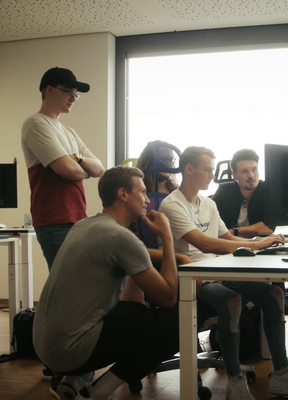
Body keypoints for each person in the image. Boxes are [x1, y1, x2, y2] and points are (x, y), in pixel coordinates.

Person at [158, 146, 288, 400]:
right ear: (189, 169)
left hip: (216, 270)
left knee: (274, 294)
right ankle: (234, 380)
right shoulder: (172, 205)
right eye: (208, 170)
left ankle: (282, 373)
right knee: (232, 300)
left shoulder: (208, 204)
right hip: (191, 276)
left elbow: (226, 237)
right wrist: (255, 244)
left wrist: (258, 243)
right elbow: (204, 243)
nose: (212, 175)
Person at [32, 166, 180, 400]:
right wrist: (167, 237)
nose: (147, 200)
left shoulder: (84, 225)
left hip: (45, 346)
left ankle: (74, 380)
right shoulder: (121, 238)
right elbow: (169, 298)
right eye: (142, 192)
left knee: (135, 314)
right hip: (70, 352)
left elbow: (132, 305)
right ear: (123, 194)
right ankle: (97, 392)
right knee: (179, 324)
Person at [21, 67, 105, 272]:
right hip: (54, 219)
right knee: (65, 281)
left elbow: (99, 169)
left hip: (77, 216)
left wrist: (76, 158)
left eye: (75, 94)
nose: (73, 98)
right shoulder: (36, 124)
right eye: (68, 92)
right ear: (49, 90)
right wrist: (81, 168)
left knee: (77, 280)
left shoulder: (69, 132)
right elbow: (67, 171)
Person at [212, 148, 272, 238]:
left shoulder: (266, 190)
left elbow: (268, 228)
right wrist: (255, 228)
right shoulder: (224, 191)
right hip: (229, 244)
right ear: (234, 175)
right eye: (244, 171)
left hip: (261, 243)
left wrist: (234, 231)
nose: (251, 175)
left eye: (254, 169)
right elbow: (214, 229)